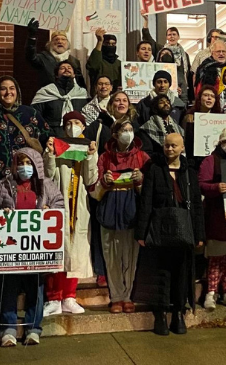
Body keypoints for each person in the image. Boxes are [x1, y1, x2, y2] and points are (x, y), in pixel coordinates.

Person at [0, 148, 64, 347]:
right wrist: (2, 213)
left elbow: (60, 204)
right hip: (11, 249)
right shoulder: (3, 185)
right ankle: (8, 329)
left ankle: (33, 328)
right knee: (8, 287)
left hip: (36, 249)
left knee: (35, 289)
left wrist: (50, 210)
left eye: (29, 163)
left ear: (36, 165)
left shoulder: (46, 186)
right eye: (21, 163)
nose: (24, 167)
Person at [133, 133, 205, 336]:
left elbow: (197, 206)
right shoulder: (155, 170)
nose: (170, 149)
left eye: (174, 146)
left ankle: (178, 314)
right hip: (159, 230)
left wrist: (199, 234)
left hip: (184, 231)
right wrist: (142, 232)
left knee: (182, 274)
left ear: (182, 148)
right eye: (166, 146)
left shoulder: (190, 172)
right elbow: (146, 202)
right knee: (160, 273)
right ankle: (160, 315)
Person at [41, 114, 99, 316]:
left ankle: (69, 296)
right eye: (68, 124)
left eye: (76, 123)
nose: (72, 127)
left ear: (83, 126)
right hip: (59, 203)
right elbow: (47, 175)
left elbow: (92, 178)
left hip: (79, 206)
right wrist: (49, 154)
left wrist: (91, 156)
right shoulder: (58, 146)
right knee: (57, 250)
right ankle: (53, 297)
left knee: (75, 252)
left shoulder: (87, 147)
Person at [90, 120, 149, 314]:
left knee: (130, 257)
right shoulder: (104, 158)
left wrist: (140, 182)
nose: (128, 133)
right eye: (124, 130)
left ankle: (127, 296)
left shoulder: (142, 157)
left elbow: (151, 191)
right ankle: (115, 297)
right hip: (109, 212)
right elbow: (94, 192)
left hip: (132, 212)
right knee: (112, 257)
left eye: (131, 130)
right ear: (115, 134)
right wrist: (104, 184)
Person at [198, 128, 226, 311]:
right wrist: (216, 187)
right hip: (216, 215)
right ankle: (211, 292)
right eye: (225, 142)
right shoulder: (210, 161)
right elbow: (201, 184)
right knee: (216, 256)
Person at [31, 61, 89, 137]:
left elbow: (88, 117)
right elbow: (36, 116)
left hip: (78, 138)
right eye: (62, 68)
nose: (66, 69)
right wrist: (48, 133)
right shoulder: (46, 92)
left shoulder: (83, 94)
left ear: (74, 74)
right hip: (51, 137)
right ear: (56, 75)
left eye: (69, 68)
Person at [25, 20, 87, 90]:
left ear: (67, 43)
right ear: (50, 43)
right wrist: (32, 36)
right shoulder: (43, 58)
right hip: (50, 96)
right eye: (56, 39)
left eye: (63, 39)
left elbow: (80, 83)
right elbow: (30, 56)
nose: (60, 42)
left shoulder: (74, 61)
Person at [142, 15, 193, 97]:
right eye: (169, 35)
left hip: (180, 87)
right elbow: (148, 39)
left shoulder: (184, 55)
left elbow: (187, 72)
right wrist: (146, 21)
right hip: (163, 84)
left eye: (174, 34)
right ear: (166, 37)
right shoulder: (161, 50)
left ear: (178, 37)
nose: (172, 36)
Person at [84, 91, 139, 156]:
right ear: (111, 104)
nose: (121, 103)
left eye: (124, 100)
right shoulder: (99, 124)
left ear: (129, 105)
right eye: (117, 100)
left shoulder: (135, 125)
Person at [183, 86, 222, 162]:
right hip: (194, 160)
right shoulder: (190, 117)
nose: (209, 98)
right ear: (199, 99)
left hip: (214, 159)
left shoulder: (220, 119)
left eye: (212, 96)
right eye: (206, 95)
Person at [86, 28, 121, 93]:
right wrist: (100, 41)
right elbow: (92, 66)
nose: (110, 46)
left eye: (113, 44)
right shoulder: (98, 60)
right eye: (107, 44)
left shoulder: (119, 63)